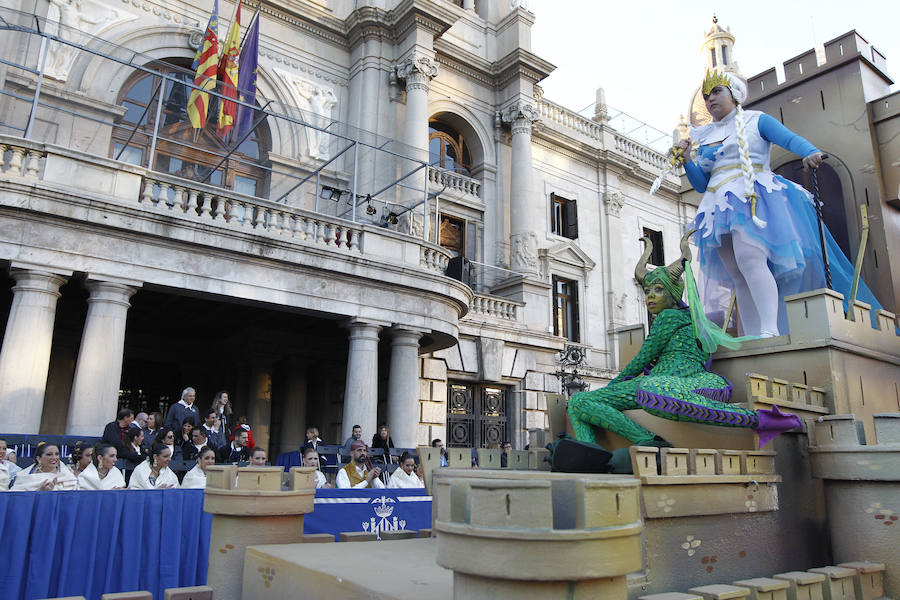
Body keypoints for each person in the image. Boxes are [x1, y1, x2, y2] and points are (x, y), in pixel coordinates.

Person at [678, 69, 881, 337]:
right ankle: (751, 334)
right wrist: (686, 159)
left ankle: (770, 330)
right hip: (717, 205)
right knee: (738, 274)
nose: (710, 99)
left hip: (751, 196)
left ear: (734, 93)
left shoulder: (756, 120)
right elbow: (702, 184)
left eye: (716, 91)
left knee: (751, 260)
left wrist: (809, 152)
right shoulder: (703, 136)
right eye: (706, 95)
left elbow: (788, 138)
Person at [568, 231, 803, 451]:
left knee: (652, 390)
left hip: (691, 381)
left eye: (657, 290)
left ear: (672, 294)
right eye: (647, 290)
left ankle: (759, 420)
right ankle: (628, 445)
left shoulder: (670, 317)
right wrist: (614, 389)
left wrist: (613, 386)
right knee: (579, 401)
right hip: (662, 380)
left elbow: (641, 360)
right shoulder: (671, 319)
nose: (649, 296)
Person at [12, 442, 78, 490]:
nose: (54, 457)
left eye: (57, 454)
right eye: (49, 454)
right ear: (39, 459)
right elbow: (16, 497)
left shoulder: (68, 477)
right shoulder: (24, 476)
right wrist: (40, 492)